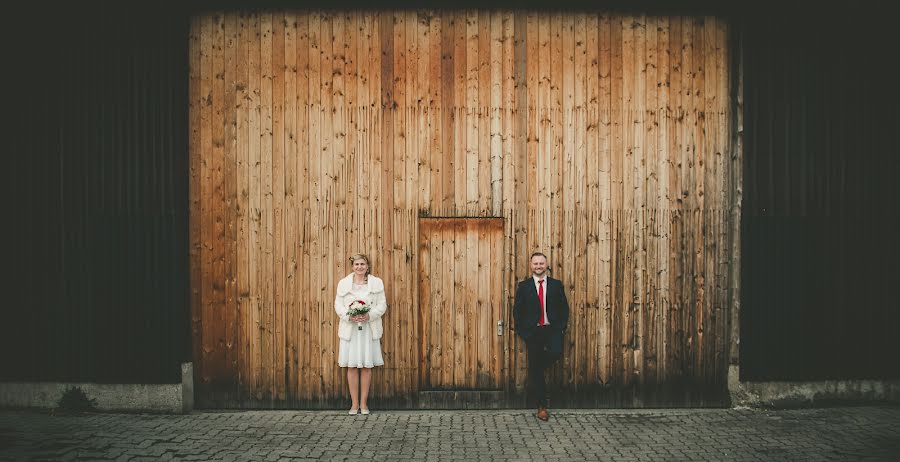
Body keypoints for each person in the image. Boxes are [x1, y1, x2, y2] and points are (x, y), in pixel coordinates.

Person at [513, 252, 569, 421]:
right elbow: (518, 312)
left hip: (552, 330)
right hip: (534, 332)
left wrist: (560, 328)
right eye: (535, 263)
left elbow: (564, 309)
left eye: (541, 263)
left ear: (546, 265)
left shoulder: (556, 285)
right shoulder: (524, 287)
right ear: (531, 266)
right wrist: (525, 332)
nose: (538, 266)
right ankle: (541, 407)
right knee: (537, 371)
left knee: (555, 353)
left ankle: (536, 368)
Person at [334, 253, 387, 415]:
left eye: (362, 264)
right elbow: (338, 305)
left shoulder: (376, 283)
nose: (359, 267)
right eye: (356, 264)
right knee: (351, 366)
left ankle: (364, 404)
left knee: (366, 366)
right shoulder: (343, 284)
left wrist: (369, 315)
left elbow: (382, 305)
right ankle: (354, 405)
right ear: (352, 267)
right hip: (350, 330)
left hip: (368, 329)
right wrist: (349, 315)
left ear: (367, 266)